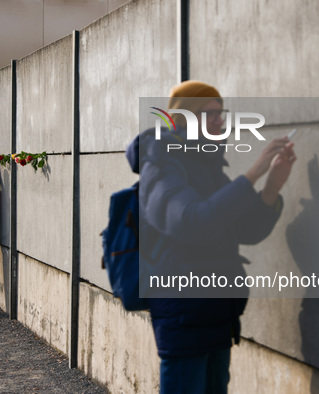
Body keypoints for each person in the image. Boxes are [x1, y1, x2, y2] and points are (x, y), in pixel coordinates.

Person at [126, 81, 296, 393]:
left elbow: (245, 230)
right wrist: (252, 173)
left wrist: (271, 186)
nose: (220, 121)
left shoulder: (208, 165)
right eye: (210, 114)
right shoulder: (162, 163)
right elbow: (191, 221)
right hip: (184, 313)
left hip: (216, 311)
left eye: (221, 113)